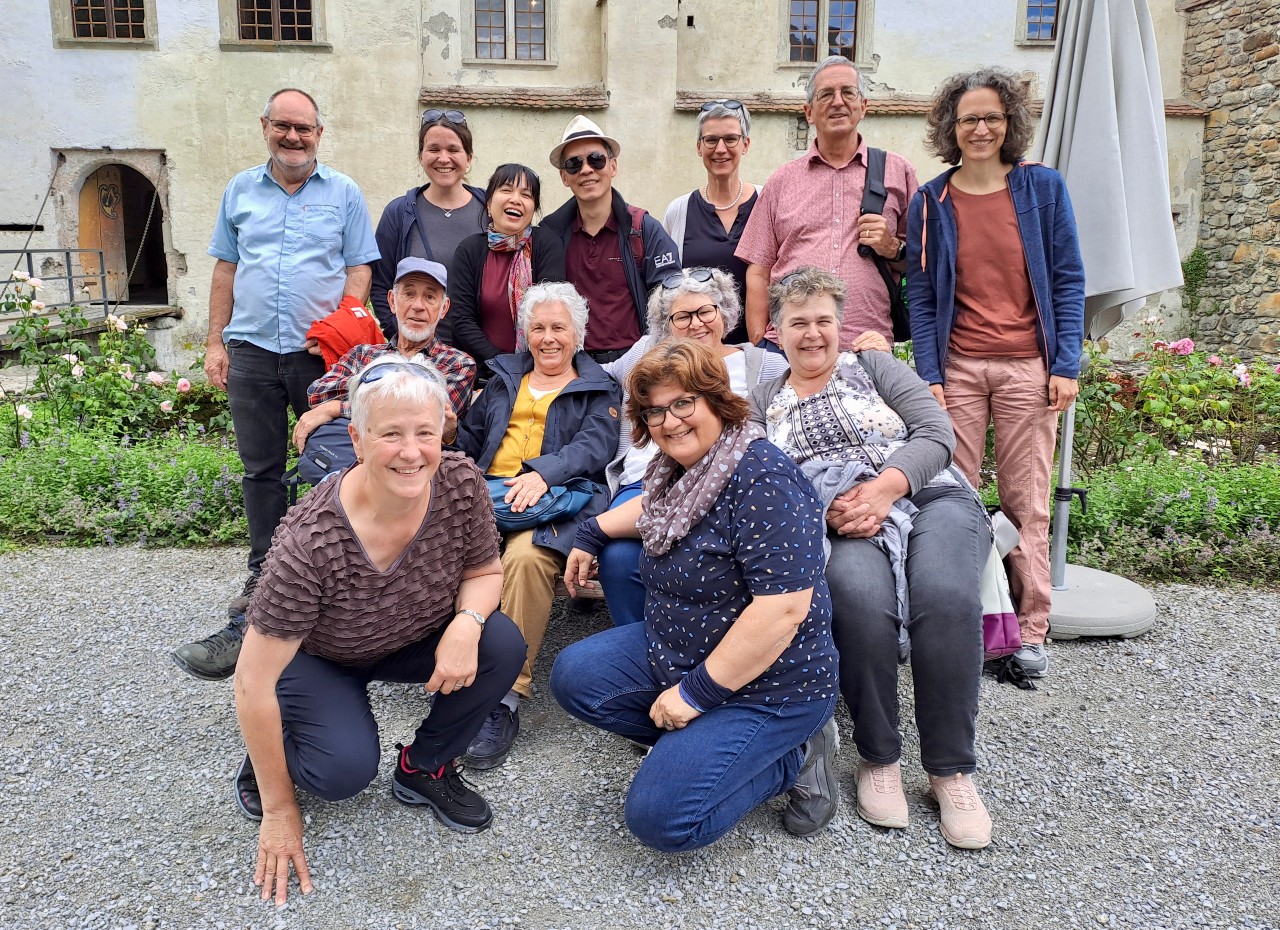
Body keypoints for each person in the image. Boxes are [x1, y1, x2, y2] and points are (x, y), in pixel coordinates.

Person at [232, 356, 526, 906]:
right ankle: (269, 753)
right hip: (319, 655)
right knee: (340, 774)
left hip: (407, 635)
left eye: (424, 432)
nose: (412, 452)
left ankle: (425, 767)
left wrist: (466, 624)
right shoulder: (309, 541)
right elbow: (250, 681)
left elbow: (486, 572)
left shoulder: (460, 482)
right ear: (358, 439)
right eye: (391, 434)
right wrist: (280, 809)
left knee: (500, 642)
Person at [551, 339, 840, 852]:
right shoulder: (677, 472)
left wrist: (694, 697)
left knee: (661, 820)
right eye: (654, 410)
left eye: (683, 402)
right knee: (576, 676)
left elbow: (784, 610)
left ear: (715, 400)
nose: (670, 420)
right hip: (681, 647)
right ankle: (701, 751)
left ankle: (792, 757)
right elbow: (651, 510)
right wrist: (592, 532)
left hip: (770, 682)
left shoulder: (762, 477)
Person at [751, 267, 993, 850]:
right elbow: (761, 475)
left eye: (824, 321)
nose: (813, 334)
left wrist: (886, 488)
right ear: (776, 332)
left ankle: (950, 769)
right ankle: (879, 755)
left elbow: (936, 431)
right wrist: (830, 504)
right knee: (858, 600)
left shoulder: (876, 368)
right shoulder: (763, 399)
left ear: (840, 325)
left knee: (946, 596)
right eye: (798, 322)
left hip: (928, 495)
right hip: (835, 516)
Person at [174, 88, 380, 678]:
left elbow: (359, 266)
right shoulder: (240, 190)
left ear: (320, 133)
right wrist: (216, 340)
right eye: (283, 127)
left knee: (337, 465)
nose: (294, 137)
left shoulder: (343, 193)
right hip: (254, 350)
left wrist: (344, 327)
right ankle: (264, 578)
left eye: (305, 129)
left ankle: (337, 582)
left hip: (321, 356)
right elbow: (225, 267)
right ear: (265, 126)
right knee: (261, 469)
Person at [906, 68, 1086, 679]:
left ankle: (1029, 631)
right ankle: (960, 626)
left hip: (1027, 369)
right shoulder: (931, 201)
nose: (980, 128)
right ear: (950, 130)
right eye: (968, 119)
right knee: (948, 499)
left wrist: (1065, 364)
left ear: (1009, 123)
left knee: (1027, 502)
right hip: (957, 368)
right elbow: (922, 295)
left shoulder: (1042, 189)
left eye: (991, 117)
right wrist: (928, 372)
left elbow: (1067, 278)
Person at [453, 282, 622, 769]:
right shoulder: (505, 378)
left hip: (556, 503)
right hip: (487, 494)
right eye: (538, 328)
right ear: (525, 334)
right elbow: (469, 440)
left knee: (524, 558)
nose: (548, 338)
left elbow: (596, 446)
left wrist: (542, 473)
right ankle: (449, 666)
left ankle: (502, 695)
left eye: (559, 328)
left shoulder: (598, 387)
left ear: (578, 335)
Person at [589, 267, 789, 627]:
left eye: (705, 312)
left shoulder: (764, 362)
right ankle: (644, 650)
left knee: (706, 556)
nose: (696, 324)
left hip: (724, 482)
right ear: (666, 324)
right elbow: (594, 374)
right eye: (682, 316)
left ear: (724, 312)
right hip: (644, 482)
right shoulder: (644, 356)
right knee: (618, 558)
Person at [736, 56, 918, 349]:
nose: (838, 102)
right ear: (809, 112)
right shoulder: (781, 181)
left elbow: (922, 262)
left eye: (848, 92)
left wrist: (892, 247)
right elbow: (759, 269)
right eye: (826, 94)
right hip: (789, 350)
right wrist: (760, 343)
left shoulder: (899, 172)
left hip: (866, 345)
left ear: (864, 106)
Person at [541, 115, 681, 363]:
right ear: (564, 177)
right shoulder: (550, 235)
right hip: (573, 367)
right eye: (574, 164)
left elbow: (671, 301)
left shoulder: (643, 229)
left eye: (596, 160)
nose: (586, 169)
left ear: (613, 166)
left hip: (638, 363)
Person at [371, 109, 486, 341]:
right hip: (417, 355)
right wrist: (405, 339)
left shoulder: (491, 210)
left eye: (453, 149)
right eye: (433, 149)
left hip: (482, 356)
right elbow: (381, 286)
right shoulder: (399, 213)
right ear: (420, 156)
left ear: (469, 158)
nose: (443, 158)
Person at [446, 164, 566, 380]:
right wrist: (502, 364)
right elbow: (462, 320)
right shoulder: (470, 250)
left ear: (533, 209)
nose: (516, 199)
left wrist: (523, 368)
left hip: (539, 371)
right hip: (483, 374)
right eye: (507, 190)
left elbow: (549, 313)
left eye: (526, 194)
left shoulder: (547, 245)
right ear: (489, 204)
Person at [661, 100, 760, 344]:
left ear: (745, 144)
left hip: (756, 353)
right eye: (711, 140)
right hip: (697, 355)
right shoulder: (679, 211)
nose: (720, 149)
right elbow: (669, 292)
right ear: (699, 147)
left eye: (730, 139)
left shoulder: (767, 203)